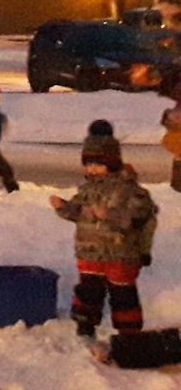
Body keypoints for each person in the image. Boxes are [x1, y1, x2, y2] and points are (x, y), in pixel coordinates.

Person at [50, 121, 158, 342]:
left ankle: (129, 334)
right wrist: (63, 207)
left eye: (98, 164)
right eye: (88, 165)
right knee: (88, 291)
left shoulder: (129, 189)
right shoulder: (87, 190)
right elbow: (77, 213)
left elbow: (140, 216)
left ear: (111, 163)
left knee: (123, 295)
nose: (92, 170)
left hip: (120, 253)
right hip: (89, 252)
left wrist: (109, 215)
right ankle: (85, 326)